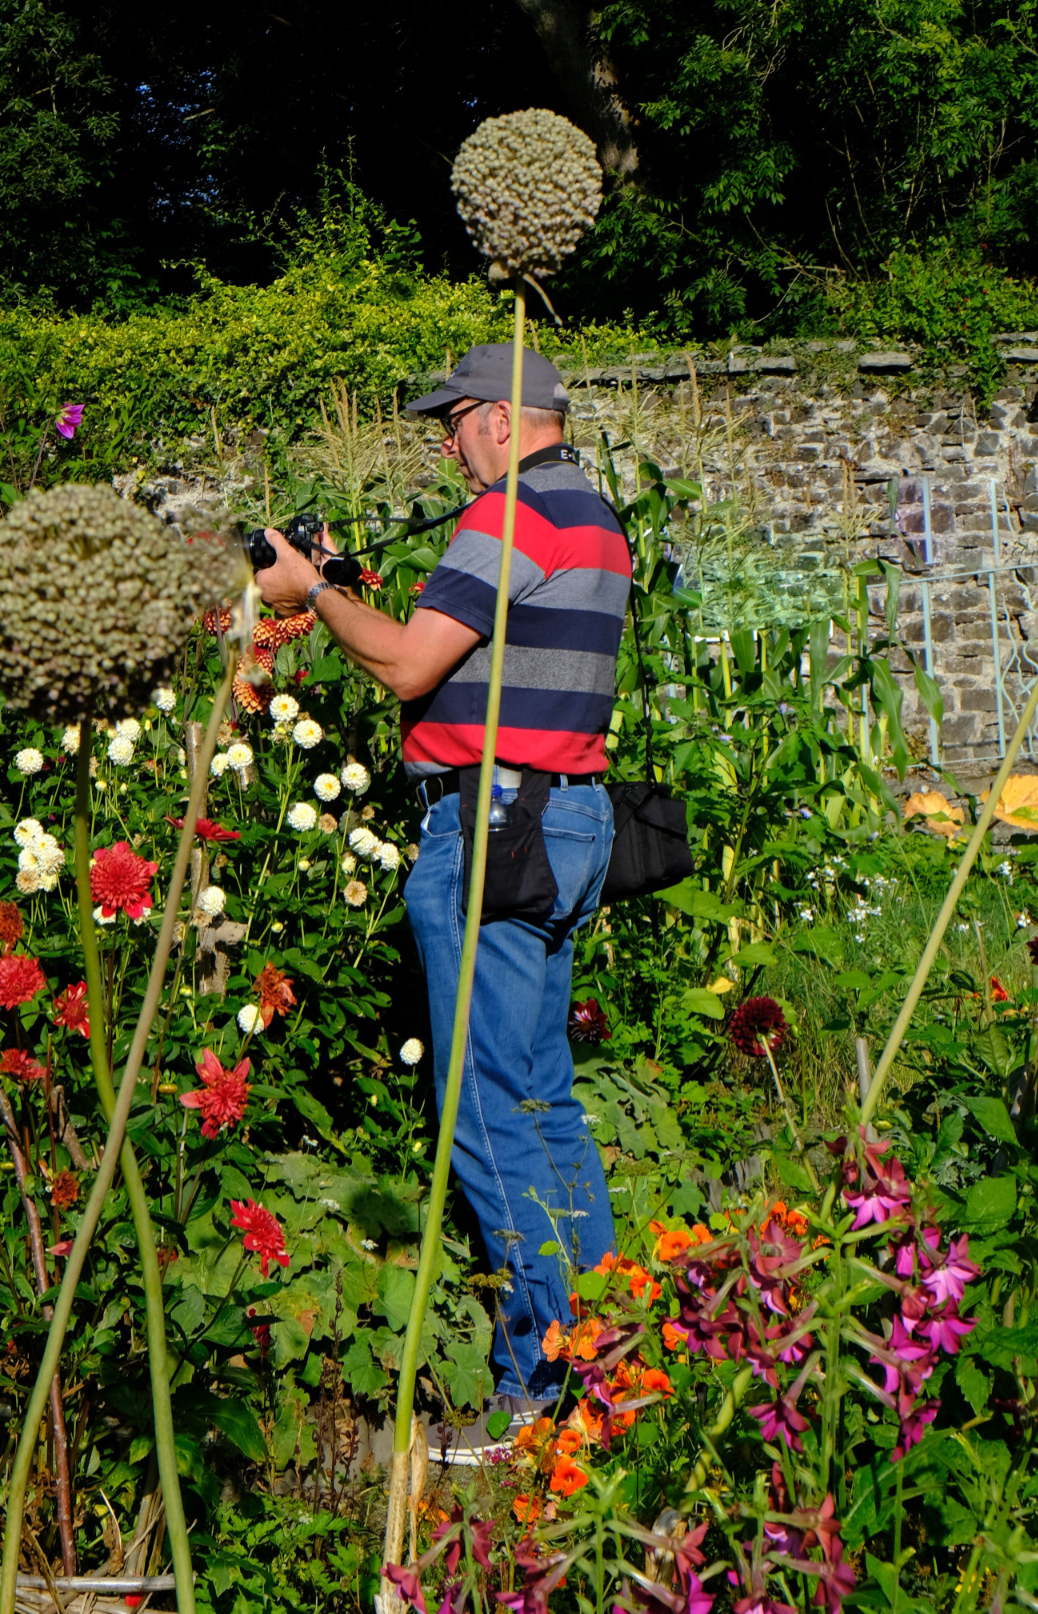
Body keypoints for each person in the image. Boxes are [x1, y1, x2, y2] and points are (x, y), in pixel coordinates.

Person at [251, 342, 631, 1462]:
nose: (445, 438)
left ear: (507, 420)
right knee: (543, 1101)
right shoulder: (591, 514)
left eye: (455, 417)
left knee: (485, 1109)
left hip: (493, 829)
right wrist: (344, 592)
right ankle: (613, 1363)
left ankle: (540, 1394)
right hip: (567, 817)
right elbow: (476, 656)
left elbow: (412, 669)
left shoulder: (506, 515)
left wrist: (311, 593)